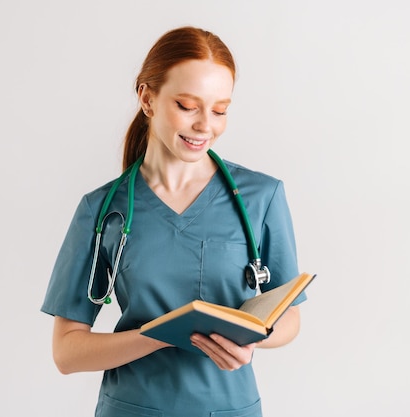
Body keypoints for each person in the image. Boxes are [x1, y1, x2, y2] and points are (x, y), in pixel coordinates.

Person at [41, 26, 307, 417]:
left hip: (229, 408)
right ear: (147, 98)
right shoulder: (102, 209)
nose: (205, 125)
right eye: (187, 105)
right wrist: (161, 335)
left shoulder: (260, 197)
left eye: (219, 110)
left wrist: (253, 338)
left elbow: (289, 317)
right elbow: (67, 352)